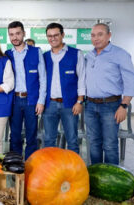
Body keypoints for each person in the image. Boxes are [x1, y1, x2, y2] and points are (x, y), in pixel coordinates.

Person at [85, 23, 134, 165]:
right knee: (94, 144)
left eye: (100, 34)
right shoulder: (89, 56)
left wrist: (124, 106)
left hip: (111, 106)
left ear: (109, 35)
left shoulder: (120, 54)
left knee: (109, 145)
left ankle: (111, 180)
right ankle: (96, 177)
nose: (96, 38)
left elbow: (131, 81)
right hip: (89, 106)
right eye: (93, 35)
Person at [5, 21, 46, 160]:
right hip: (14, 101)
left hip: (31, 100)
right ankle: (15, 167)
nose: (15, 37)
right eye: (11, 34)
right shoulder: (7, 54)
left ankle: (30, 166)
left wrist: (41, 101)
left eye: (17, 33)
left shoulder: (36, 52)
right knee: (14, 136)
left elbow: (43, 78)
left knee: (32, 136)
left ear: (24, 33)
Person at [43, 23, 85, 153]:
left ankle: (74, 172)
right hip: (49, 104)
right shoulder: (44, 56)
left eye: (56, 35)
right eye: (49, 36)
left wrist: (79, 101)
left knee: (72, 140)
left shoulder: (76, 54)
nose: (53, 38)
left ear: (63, 35)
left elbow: (82, 79)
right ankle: (50, 170)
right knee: (49, 140)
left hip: (70, 105)